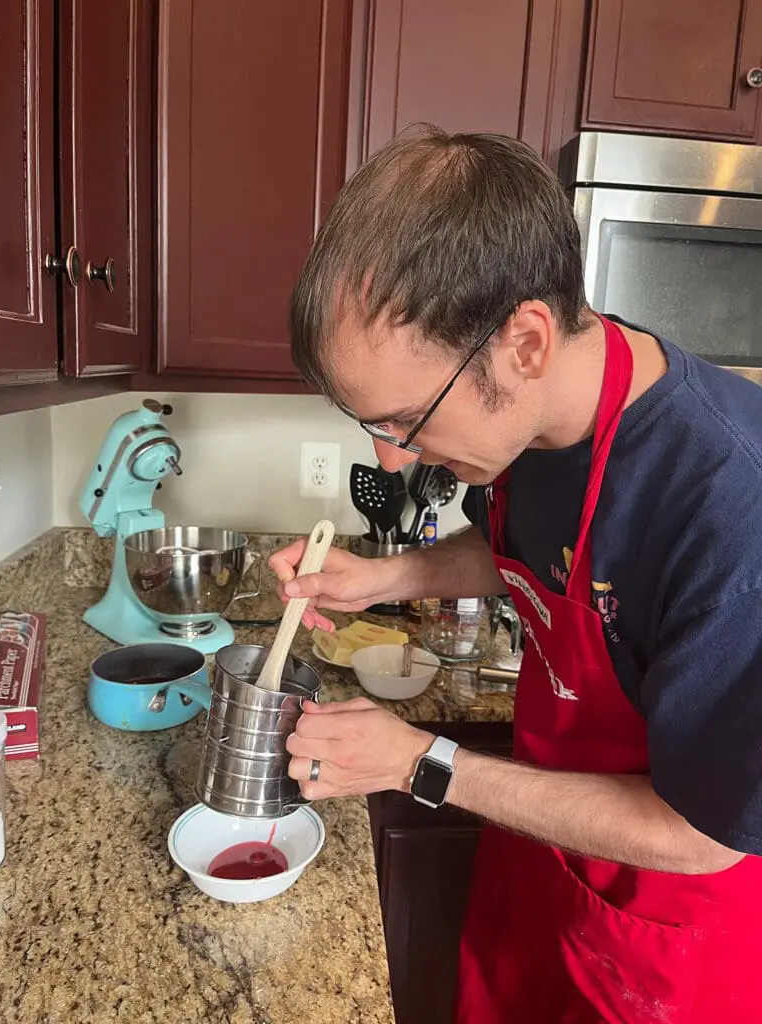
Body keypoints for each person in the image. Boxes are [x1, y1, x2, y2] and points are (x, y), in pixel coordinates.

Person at [268, 125, 762, 1022]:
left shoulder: (733, 502)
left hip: (666, 936)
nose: (392, 454)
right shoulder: (525, 430)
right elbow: (528, 557)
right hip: (540, 857)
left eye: (408, 417)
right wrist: (380, 580)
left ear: (525, 343)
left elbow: (703, 839)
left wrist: (419, 759)